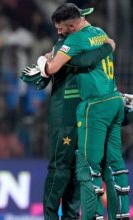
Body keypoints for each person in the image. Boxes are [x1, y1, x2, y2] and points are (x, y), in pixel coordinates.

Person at [36, 3, 130, 219]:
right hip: (114, 99)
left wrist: (46, 60)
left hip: (95, 106)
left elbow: (52, 69)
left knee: (88, 167)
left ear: (72, 25)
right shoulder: (100, 33)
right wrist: (109, 47)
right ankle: (121, 215)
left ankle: (92, 216)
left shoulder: (76, 39)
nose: (59, 33)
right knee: (114, 165)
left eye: (61, 28)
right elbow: (92, 58)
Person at [21, 17, 114, 219]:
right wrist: (108, 46)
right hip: (63, 113)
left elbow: (87, 62)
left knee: (77, 168)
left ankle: (71, 216)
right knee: (60, 167)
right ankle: (51, 216)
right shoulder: (67, 43)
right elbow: (36, 77)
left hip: (83, 112)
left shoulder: (86, 40)